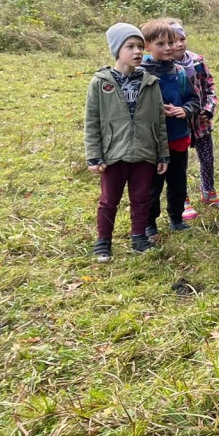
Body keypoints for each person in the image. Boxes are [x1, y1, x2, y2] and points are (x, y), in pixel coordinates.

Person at [85, 23, 169, 261]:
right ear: (116, 50)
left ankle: (138, 237)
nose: (137, 52)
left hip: (145, 152)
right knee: (109, 200)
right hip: (114, 153)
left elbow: (159, 121)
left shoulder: (150, 83)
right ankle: (103, 242)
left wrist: (162, 153)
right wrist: (94, 155)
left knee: (142, 198)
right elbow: (92, 122)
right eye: (130, 46)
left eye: (140, 47)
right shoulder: (101, 83)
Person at [140, 18, 199, 240]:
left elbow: (193, 99)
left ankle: (176, 218)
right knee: (152, 185)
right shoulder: (141, 74)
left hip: (177, 137)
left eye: (171, 43)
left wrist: (185, 110)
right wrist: (156, 110)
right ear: (147, 45)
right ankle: (149, 223)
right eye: (161, 44)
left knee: (178, 181)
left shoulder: (180, 72)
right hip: (152, 142)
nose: (168, 48)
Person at [166, 20, 219, 219]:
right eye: (173, 41)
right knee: (179, 164)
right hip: (179, 123)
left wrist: (209, 108)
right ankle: (183, 200)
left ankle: (209, 193)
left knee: (207, 158)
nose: (178, 44)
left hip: (201, 121)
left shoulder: (197, 61)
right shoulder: (166, 68)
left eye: (182, 39)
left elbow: (209, 86)